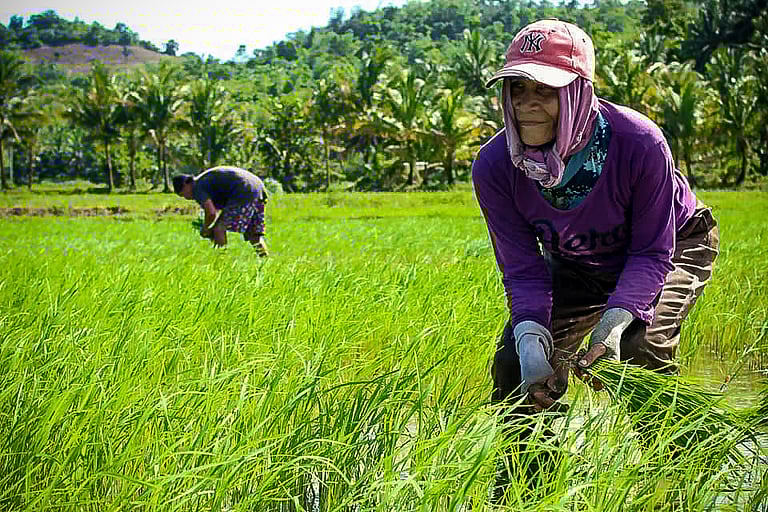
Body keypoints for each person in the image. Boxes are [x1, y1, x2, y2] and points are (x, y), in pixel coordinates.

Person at [471, 18, 719, 490]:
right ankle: (528, 489)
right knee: (512, 365)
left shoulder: (638, 142)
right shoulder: (496, 166)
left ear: (578, 93)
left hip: (674, 242)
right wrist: (532, 342)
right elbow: (523, 271)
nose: (526, 105)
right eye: (516, 89)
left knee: (641, 349)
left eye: (544, 89)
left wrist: (616, 322)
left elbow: (651, 251)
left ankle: (678, 480)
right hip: (579, 259)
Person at [173, 166, 269, 257]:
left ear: (186, 184)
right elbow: (217, 211)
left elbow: (211, 213)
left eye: (183, 194)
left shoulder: (197, 187)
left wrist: (205, 228)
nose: (187, 198)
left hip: (243, 190)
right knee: (253, 234)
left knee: (219, 229)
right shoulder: (204, 180)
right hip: (257, 187)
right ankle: (265, 260)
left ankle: (222, 261)